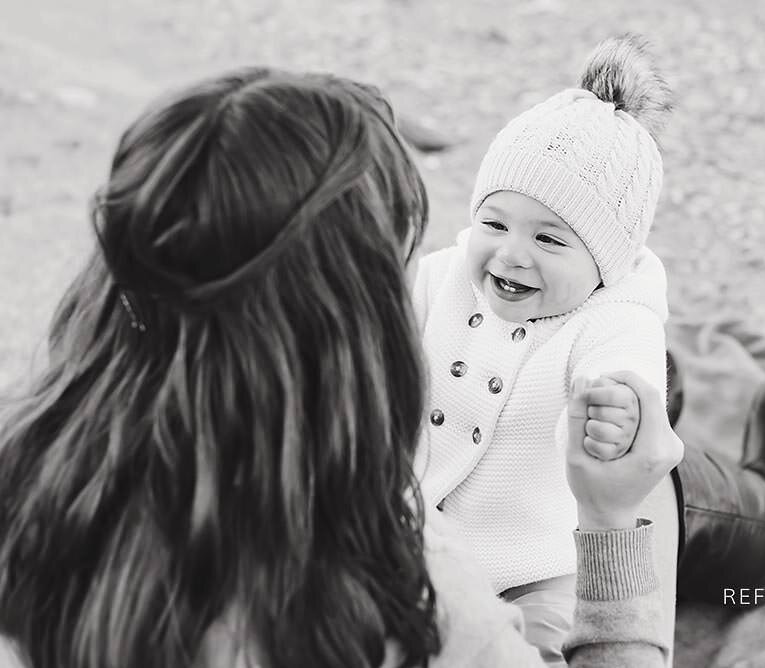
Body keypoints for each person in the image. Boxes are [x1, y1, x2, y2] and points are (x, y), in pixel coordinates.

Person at [0, 66, 682, 668]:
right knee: (660, 487)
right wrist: (611, 525)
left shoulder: (32, 473)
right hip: (511, 554)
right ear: (352, 336)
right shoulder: (424, 609)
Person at [412, 34, 673, 664]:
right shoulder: (440, 277)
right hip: (417, 533)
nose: (510, 253)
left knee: (552, 640)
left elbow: (630, 366)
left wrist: (618, 406)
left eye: (550, 240)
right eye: (495, 223)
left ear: (604, 262)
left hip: (536, 563)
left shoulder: (610, 314)